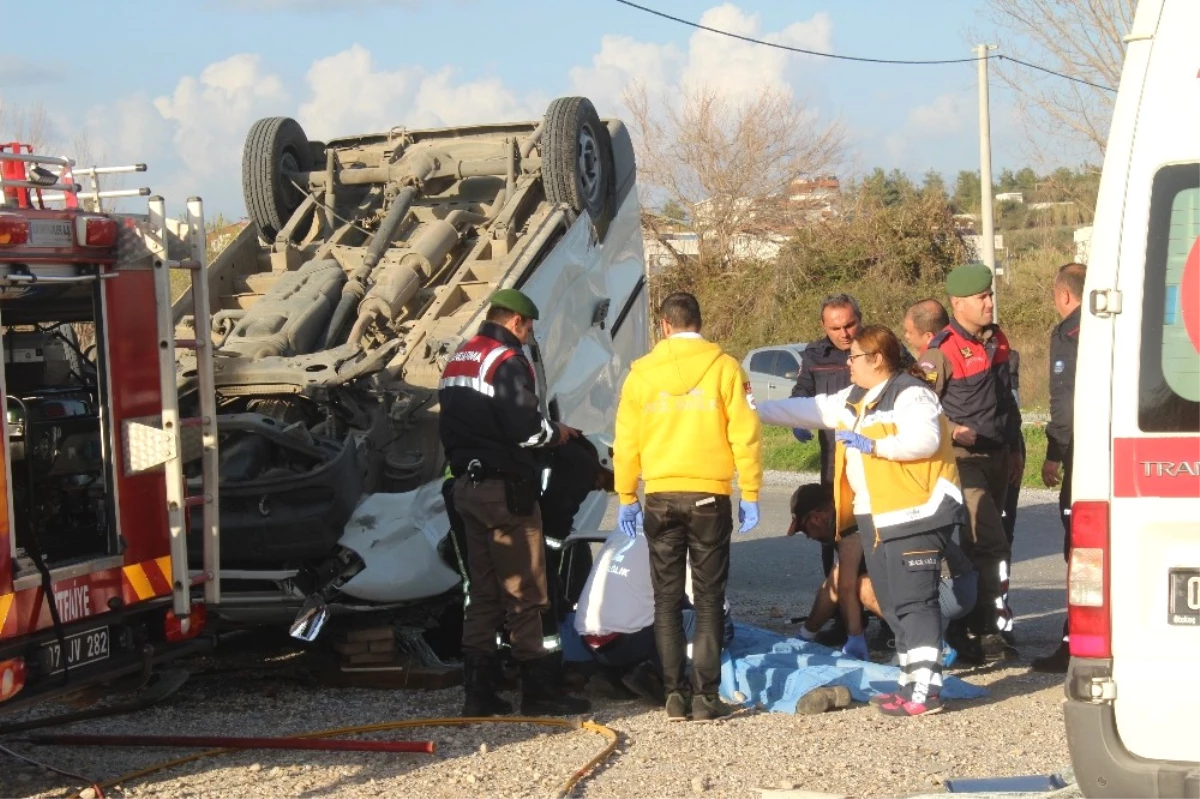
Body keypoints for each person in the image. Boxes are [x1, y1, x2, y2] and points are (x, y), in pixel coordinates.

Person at [758, 325, 966, 717]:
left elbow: (923, 440)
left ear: (877, 358)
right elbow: (809, 409)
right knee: (892, 600)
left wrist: (875, 446)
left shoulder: (911, 393)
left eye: (853, 357)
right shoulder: (856, 397)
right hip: (878, 514)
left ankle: (926, 690)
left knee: (916, 602)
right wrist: (748, 411)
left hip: (916, 512)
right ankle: (909, 681)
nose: (847, 363)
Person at [438, 288, 590, 717]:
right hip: (505, 492)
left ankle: (479, 693)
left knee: (483, 594)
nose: (528, 337)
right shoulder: (507, 361)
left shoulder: (461, 357)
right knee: (526, 593)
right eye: (528, 329)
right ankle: (539, 692)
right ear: (516, 322)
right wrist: (557, 433)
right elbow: (526, 429)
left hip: (466, 488)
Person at [613, 291, 762, 722]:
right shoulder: (725, 368)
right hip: (709, 495)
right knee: (710, 599)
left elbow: (627, 443)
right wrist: (749, 491)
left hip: (660, 496)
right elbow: (746, 434)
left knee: (665, 600)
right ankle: (706, 697)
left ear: (664, 326)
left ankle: (673, 695)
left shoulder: (641, 375)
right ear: (700, 322)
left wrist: (627, 495)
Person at [919, 263, 1023, 663]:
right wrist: (950, 429)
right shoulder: (939, 351)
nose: (989, 302)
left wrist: (1014, 450)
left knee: (991, 546)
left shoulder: (998, 341)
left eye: (990, 294)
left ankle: (977, 622)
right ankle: (982, 627)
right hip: (965, 462)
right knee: (987, 541)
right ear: (958, 303)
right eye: (981, 297)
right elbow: (919, 408)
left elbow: (1007, 403)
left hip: (998, 455)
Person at [788, 483, 977, 667]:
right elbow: (832, 586)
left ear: (816, 517)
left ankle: (928, 645)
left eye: (805, 529)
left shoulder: (850, 526)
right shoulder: (854, 515)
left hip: (951, 589)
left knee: (864, 586)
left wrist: (855, 637)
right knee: (849, 578)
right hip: (959, 582)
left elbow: (845, 587)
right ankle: (924, 640)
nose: (809, 537)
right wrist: (804, 638)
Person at [569, 527, 734, 704]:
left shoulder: (623, 530)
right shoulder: (675, 539)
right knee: (718, 623)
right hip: (626, 643)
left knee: (654, 603)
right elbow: (704, 595)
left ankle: (610, 672)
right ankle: (666, 677)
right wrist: (725, 612)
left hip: (587, 639)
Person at [1031, 262, 1085, 673]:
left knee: (1080, 550)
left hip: (1083, 457)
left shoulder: (1069, 332)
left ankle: (1075, 641)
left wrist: (1054, 452)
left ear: (1064, 295)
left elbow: (1064, 401)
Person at [790, 294, 862, 585]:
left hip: (877, 459)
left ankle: (884, 616)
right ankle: (840, 611)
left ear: (860, 319)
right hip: (835, 462)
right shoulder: (814, 355)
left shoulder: (878, 347)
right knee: (834, 534)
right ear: (823, 326)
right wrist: (798, 418)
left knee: (875, 535)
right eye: (836, 328)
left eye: (850, 325)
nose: (844, 334)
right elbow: (802, 391)